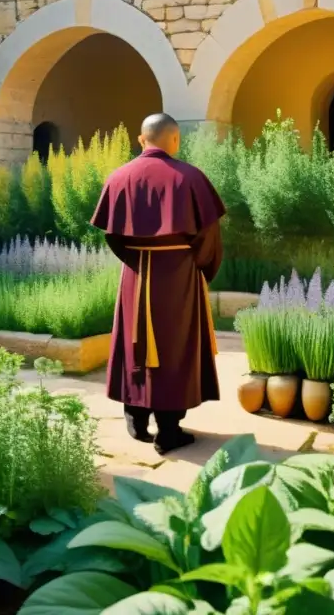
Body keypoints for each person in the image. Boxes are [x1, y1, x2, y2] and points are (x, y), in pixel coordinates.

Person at [91, 113, 226, 454]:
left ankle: (135, 419)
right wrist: (198, 269)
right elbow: (209, 237)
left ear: (141, 139)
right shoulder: (191, 178)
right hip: (178, 275)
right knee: (175, 348)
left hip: (135, 274)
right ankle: (169, 431)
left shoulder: (119, 177)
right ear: (175, 140)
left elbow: (113, 236)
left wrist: (137, 260)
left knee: (133, 342)